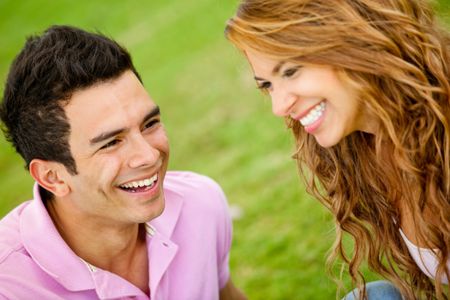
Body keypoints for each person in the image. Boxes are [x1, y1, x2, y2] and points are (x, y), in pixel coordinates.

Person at [0, 25, 246, 300]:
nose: (150, 156)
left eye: (149, 123)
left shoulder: (201, 204)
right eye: (111, 142)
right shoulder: (8, 287)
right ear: (52, 176)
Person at [225, 0, 449, 299]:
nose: (279, 107)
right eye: (267, 85)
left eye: (290, 71)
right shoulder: (364, 149)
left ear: (351, 40)